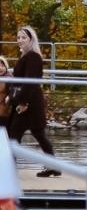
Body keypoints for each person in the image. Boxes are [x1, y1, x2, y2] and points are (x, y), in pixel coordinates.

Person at [8, 26, 59, 175]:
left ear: (31, 39)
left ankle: (9, 169)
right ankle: (53, 166)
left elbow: (31, 81)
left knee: (14, 134)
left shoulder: (32, 57)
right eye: (18, 37)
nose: (20, 40)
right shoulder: (26, 56)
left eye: (23, 37)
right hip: (29, 101)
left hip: (30, 102)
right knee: (38, 134)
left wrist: (24, 102)